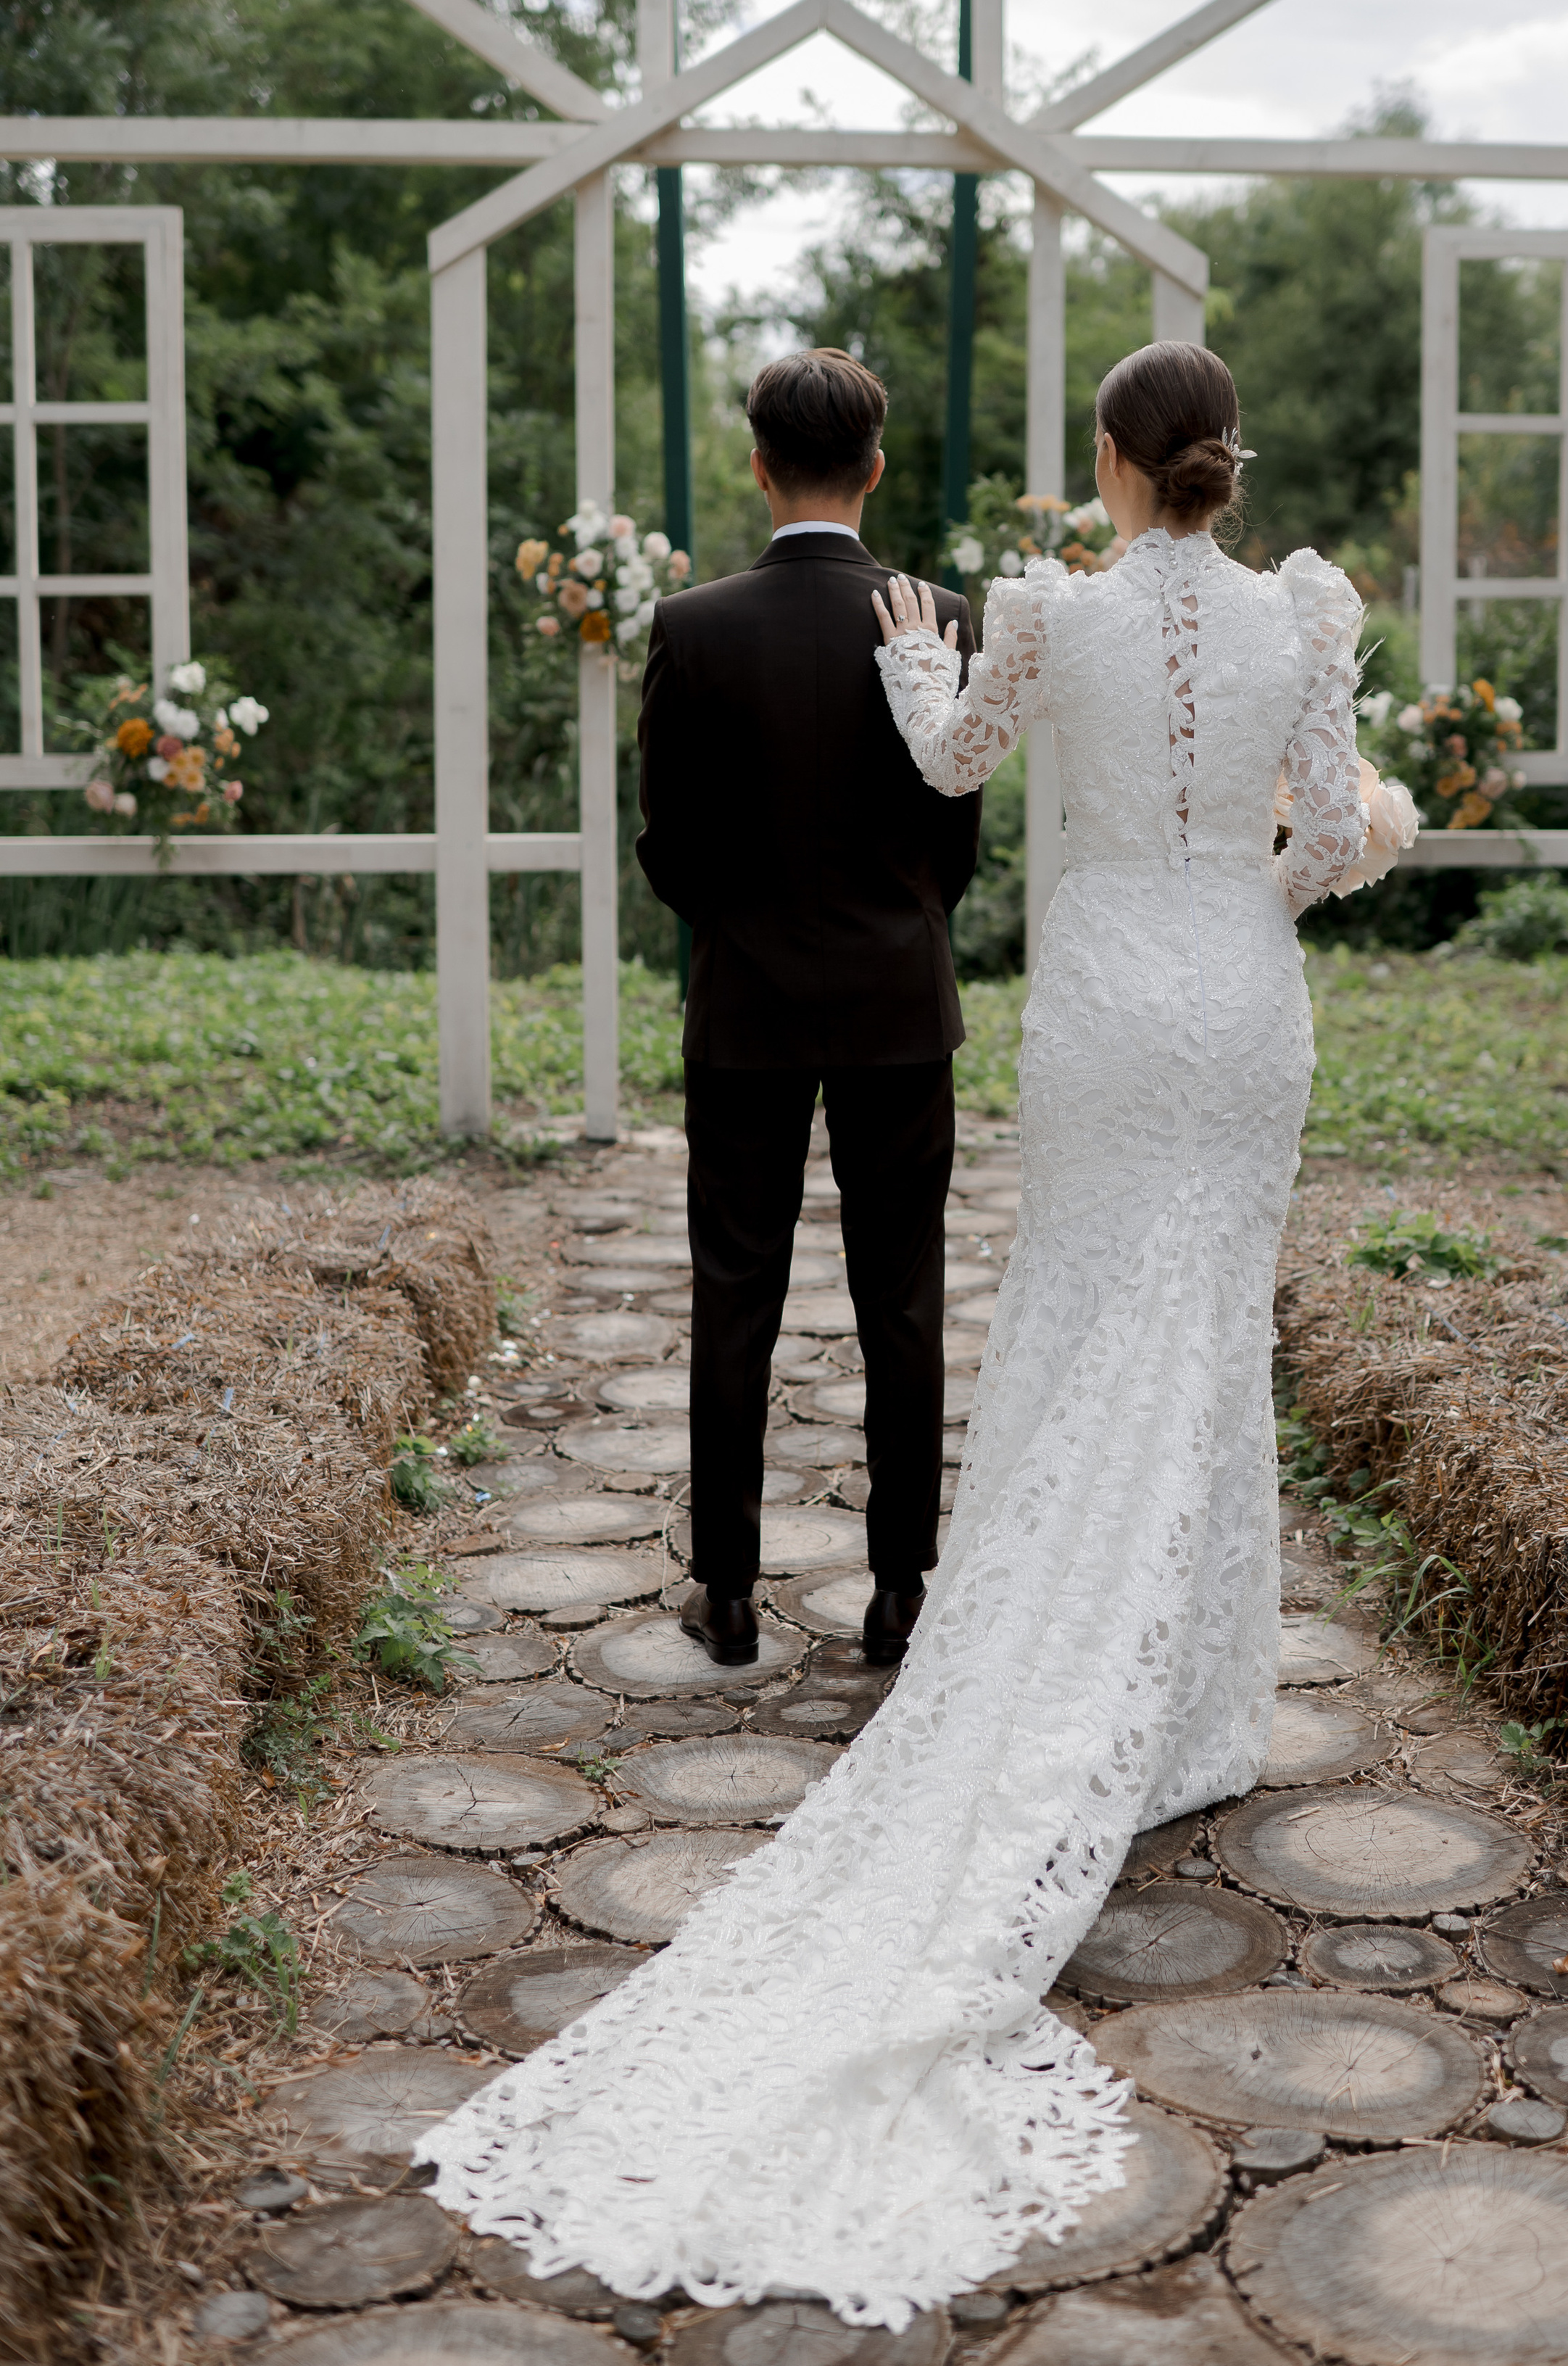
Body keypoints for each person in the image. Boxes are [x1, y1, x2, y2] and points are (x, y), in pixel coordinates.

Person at [420, 341, 1416, 2327]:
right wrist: (1258, 884)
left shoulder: (1000, 617)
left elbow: (916, 777)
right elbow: (1326, 837)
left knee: (943, 1308)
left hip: (1061, 1003)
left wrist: (904, 697)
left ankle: (863, 1612)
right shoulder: (1300, 615)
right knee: (1151, 1333)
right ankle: (1103, 1666)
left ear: (1118, 467)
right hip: (1204, 993)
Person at [631, 347, 979, 1670]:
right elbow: (960, 837)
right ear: (875, 467)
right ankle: (899, 1593)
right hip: (899, 996)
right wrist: (896, 923)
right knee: (902, 1297)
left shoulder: (694, 626)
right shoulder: (940, 615)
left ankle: (725, 1592)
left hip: (744, 1005)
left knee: (735, 1292)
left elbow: (667, 844)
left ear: (759, 464)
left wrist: (745, 931)